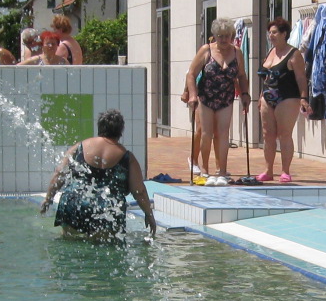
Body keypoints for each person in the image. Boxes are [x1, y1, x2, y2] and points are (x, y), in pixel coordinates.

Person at [38, 109, 157, 238]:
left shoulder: (79, 147)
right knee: (104, 247)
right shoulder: (127, 157)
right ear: (120, 131)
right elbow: (139, 191)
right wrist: (149, 214)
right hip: (107, 209)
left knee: (70, 244)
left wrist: (48, 199)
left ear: (99, 128)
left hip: (74, 203)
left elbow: (59, 174)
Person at [184, 19, 250, 182]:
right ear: (214, 36)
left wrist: (245, 93)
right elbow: (191, 74)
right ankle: (205, 168)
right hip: (206, 96)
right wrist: (192, 95)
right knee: (206, 133)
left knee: (223, 133)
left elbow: (241, 75)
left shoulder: (236, 52)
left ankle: (222, 170)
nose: (224, 39)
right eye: (220, 36)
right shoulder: (206, 50)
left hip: (226, 97)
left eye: (227, 36)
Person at [256, 16, 310, 183]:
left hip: (287, 97)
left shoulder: (294, 54)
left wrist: (304, 98)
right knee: (268, 135)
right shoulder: (270, 52)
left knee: (284, 134)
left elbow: (301, 78)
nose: (271, 36)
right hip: (267, 97)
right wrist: (260, 96)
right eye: (269, 33)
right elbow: (266, 78)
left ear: (284, 33)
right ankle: (268, 170)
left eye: (274, 32)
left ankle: (285, 171)